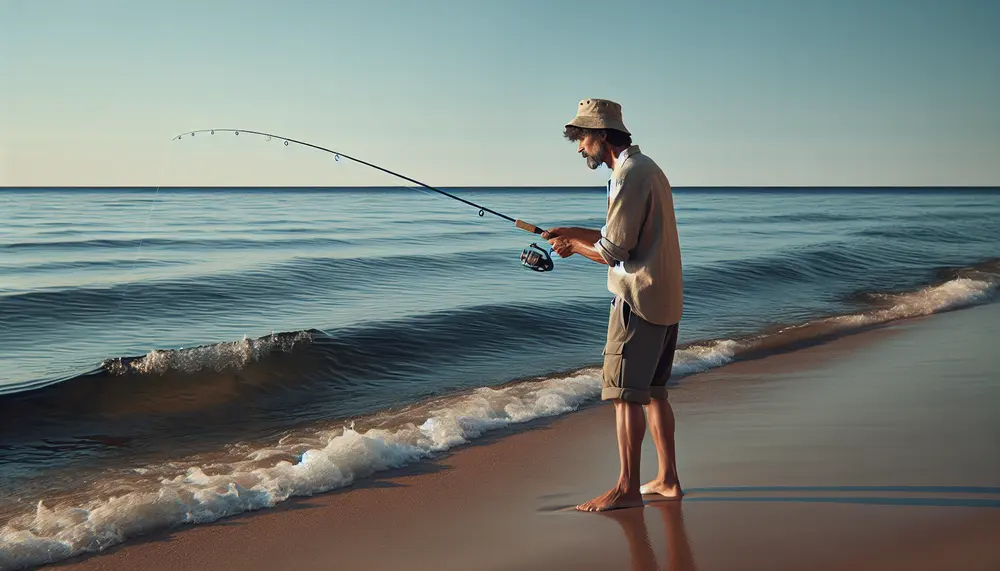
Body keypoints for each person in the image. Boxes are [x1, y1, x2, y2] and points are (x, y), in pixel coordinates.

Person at [543, 98, 684, 512]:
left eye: (581, 138)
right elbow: (621, 234)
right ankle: (668, 479)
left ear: (601, 135)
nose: (579, 148)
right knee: (655, 393)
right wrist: (570, 230)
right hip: (666, 297)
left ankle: (626, 487)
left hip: (636, 299)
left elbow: (612, 251)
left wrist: (572, 247)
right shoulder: (648, 170)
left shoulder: (627, 176)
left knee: (625, 396)